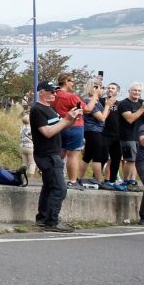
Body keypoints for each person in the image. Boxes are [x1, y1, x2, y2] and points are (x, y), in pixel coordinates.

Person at [30, 81, 82, 233]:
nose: (54, 94)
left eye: (55, 92)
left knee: (49, 187)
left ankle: (42, 218)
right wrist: (66, 120)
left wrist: (71, 118)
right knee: (60, 189)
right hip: (47, 155)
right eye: (51, 91)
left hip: (53, 153)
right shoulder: (37, 110)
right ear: (42, 92)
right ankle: (52, 221)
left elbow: (62, 126)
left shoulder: (50, 109)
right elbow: (47, 132)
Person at [51, 73, 87, 189]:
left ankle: (52, 177)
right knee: (73, 155)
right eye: (71, 81)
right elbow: (87, 109)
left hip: (60, 126)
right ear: (66, 81)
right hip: (75, 126)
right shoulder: (71, 96)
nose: (73, 83)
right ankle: (72, 181)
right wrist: (95, 96)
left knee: (59, 153)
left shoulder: (53, 95)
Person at [78, 79, 114, 189]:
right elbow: (102, 118)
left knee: (87, 156)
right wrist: (107, 106)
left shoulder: (96, 102)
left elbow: (103, 116)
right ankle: (98, 180)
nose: (103, 90)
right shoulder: (90, 101)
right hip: (93, 131)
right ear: (94, 89)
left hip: (95, 130)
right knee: (97, 156)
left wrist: (108, 106)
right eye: (101, 88)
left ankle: (80, 177)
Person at [118, 82, 144, 190]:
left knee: (136, 160)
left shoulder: (142, 102)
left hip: (140, 136)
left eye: (139, 91)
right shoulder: (124, 104)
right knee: (130, 159)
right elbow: (130, 119)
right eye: (135, 90)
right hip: (127, 136)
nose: (137, 92)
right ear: (129, 91)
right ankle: (126, 180)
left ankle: (133, 179)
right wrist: (142, 109)